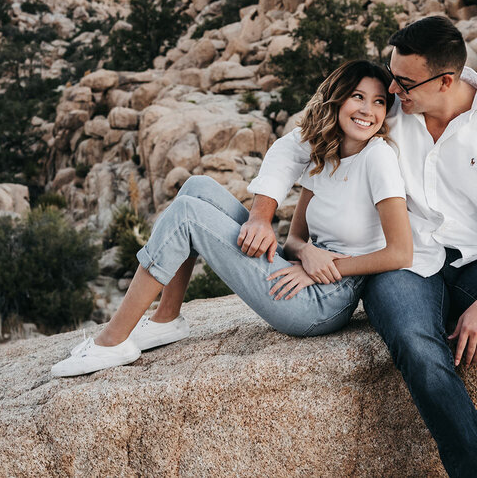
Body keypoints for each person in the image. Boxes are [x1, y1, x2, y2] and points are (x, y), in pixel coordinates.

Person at [242, 16, 477, 477]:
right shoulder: (390, 105)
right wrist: (261, 214)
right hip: (404, 261)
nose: (392, 88)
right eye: (393, 75)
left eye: (405, 81)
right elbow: (295, 145)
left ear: (445, 81)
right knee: (416, 343)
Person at [52, 59, 412, 377]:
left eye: (379, 101)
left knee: (188, 217)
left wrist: (322, 267)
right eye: (358, 97)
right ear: (337, 100)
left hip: (326, 299)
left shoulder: (377, 158)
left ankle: (113, 340)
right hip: (304, 271)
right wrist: (305, 253)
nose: (368, 110)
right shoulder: (325, 156)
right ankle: (166, 319)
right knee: (198, 186)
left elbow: (400, 254)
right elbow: (294, 240)